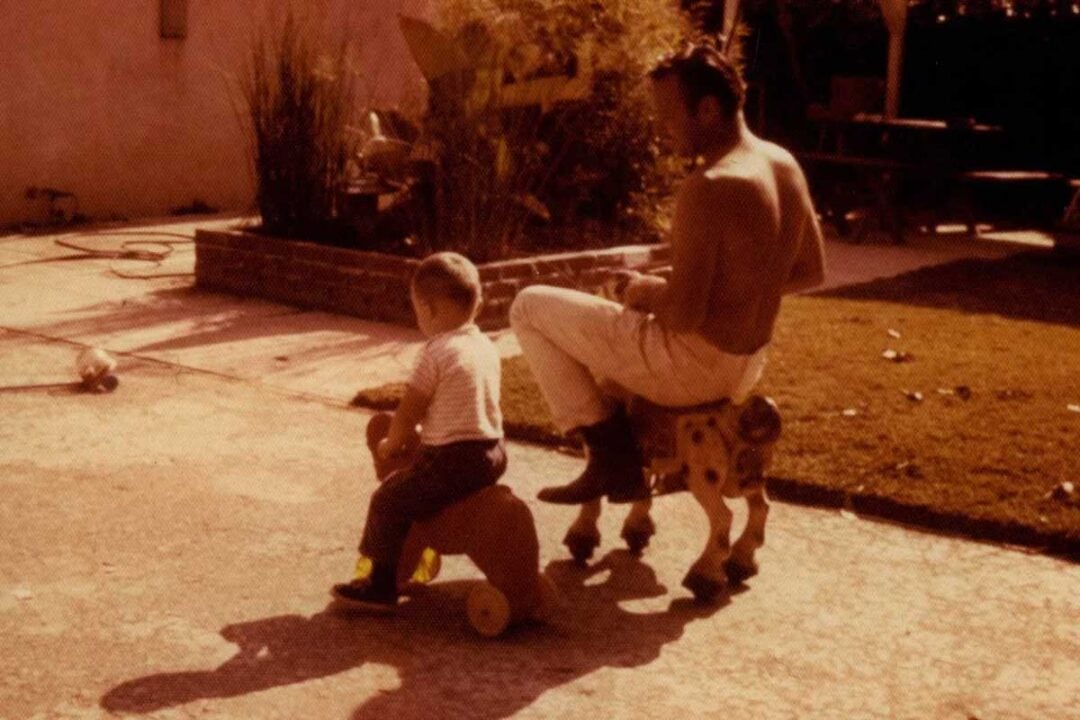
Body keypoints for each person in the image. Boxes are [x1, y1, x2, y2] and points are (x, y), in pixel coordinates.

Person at [509, 41, 826, 505]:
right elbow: (810, 271)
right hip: (744, 367)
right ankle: (620, 455)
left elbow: (681, 315)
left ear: (708, 108)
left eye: (668, 114)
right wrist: (729, 291)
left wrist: (643, 290)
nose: (661, 129)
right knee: (598, 337)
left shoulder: (710, 186)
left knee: (529, 306)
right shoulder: (783, 164)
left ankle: (610, 459)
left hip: (690, 367)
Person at [333, 252, 506, 611]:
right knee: (418, 490)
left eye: (415, 309)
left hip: (453, 458)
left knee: (389, 500)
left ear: (427, 309)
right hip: (493, 452)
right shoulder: (485, 345)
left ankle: (379, 586)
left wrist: (388, 444)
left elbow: (409, 411)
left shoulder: (436, 352)